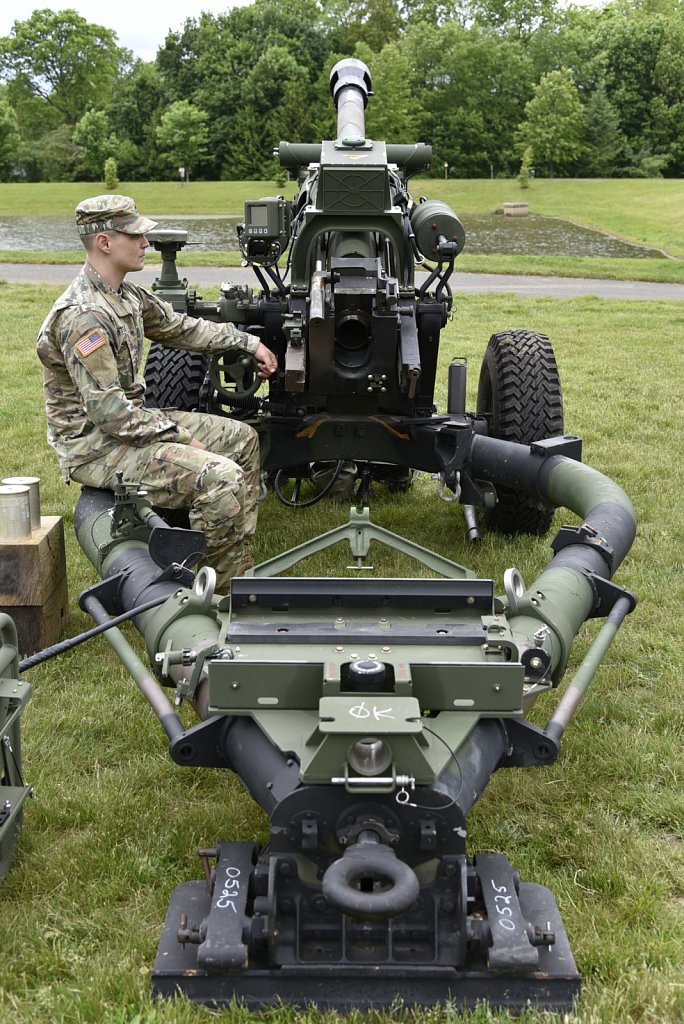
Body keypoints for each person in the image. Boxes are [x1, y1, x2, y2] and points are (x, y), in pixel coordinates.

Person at [37, 194, 278, 589]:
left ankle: (233, 563)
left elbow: (181, 327)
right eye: (135, 236)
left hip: (130, 425)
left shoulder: (125, 295)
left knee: (243, 439)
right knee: (220, 477)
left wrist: (246, 343)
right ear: (104, 242)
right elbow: (110, 414)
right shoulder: (84, 316)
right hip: (97, 445)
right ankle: (213, 592)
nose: (145, 243)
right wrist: (183, 438)